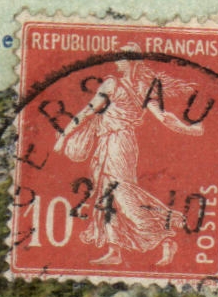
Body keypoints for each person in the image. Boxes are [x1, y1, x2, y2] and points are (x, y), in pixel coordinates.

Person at [53, 44, 207, 267]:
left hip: (117, 143)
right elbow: (165, 118)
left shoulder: (113, 84)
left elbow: (88, 110)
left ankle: (165, 235)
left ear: (131, 60)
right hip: (113, 142)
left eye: (121, 59)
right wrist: (189, 129)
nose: (117, 62)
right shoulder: (143, 87)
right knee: (107, 194)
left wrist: (63, 136)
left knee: (121, 191)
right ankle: (114, 250)